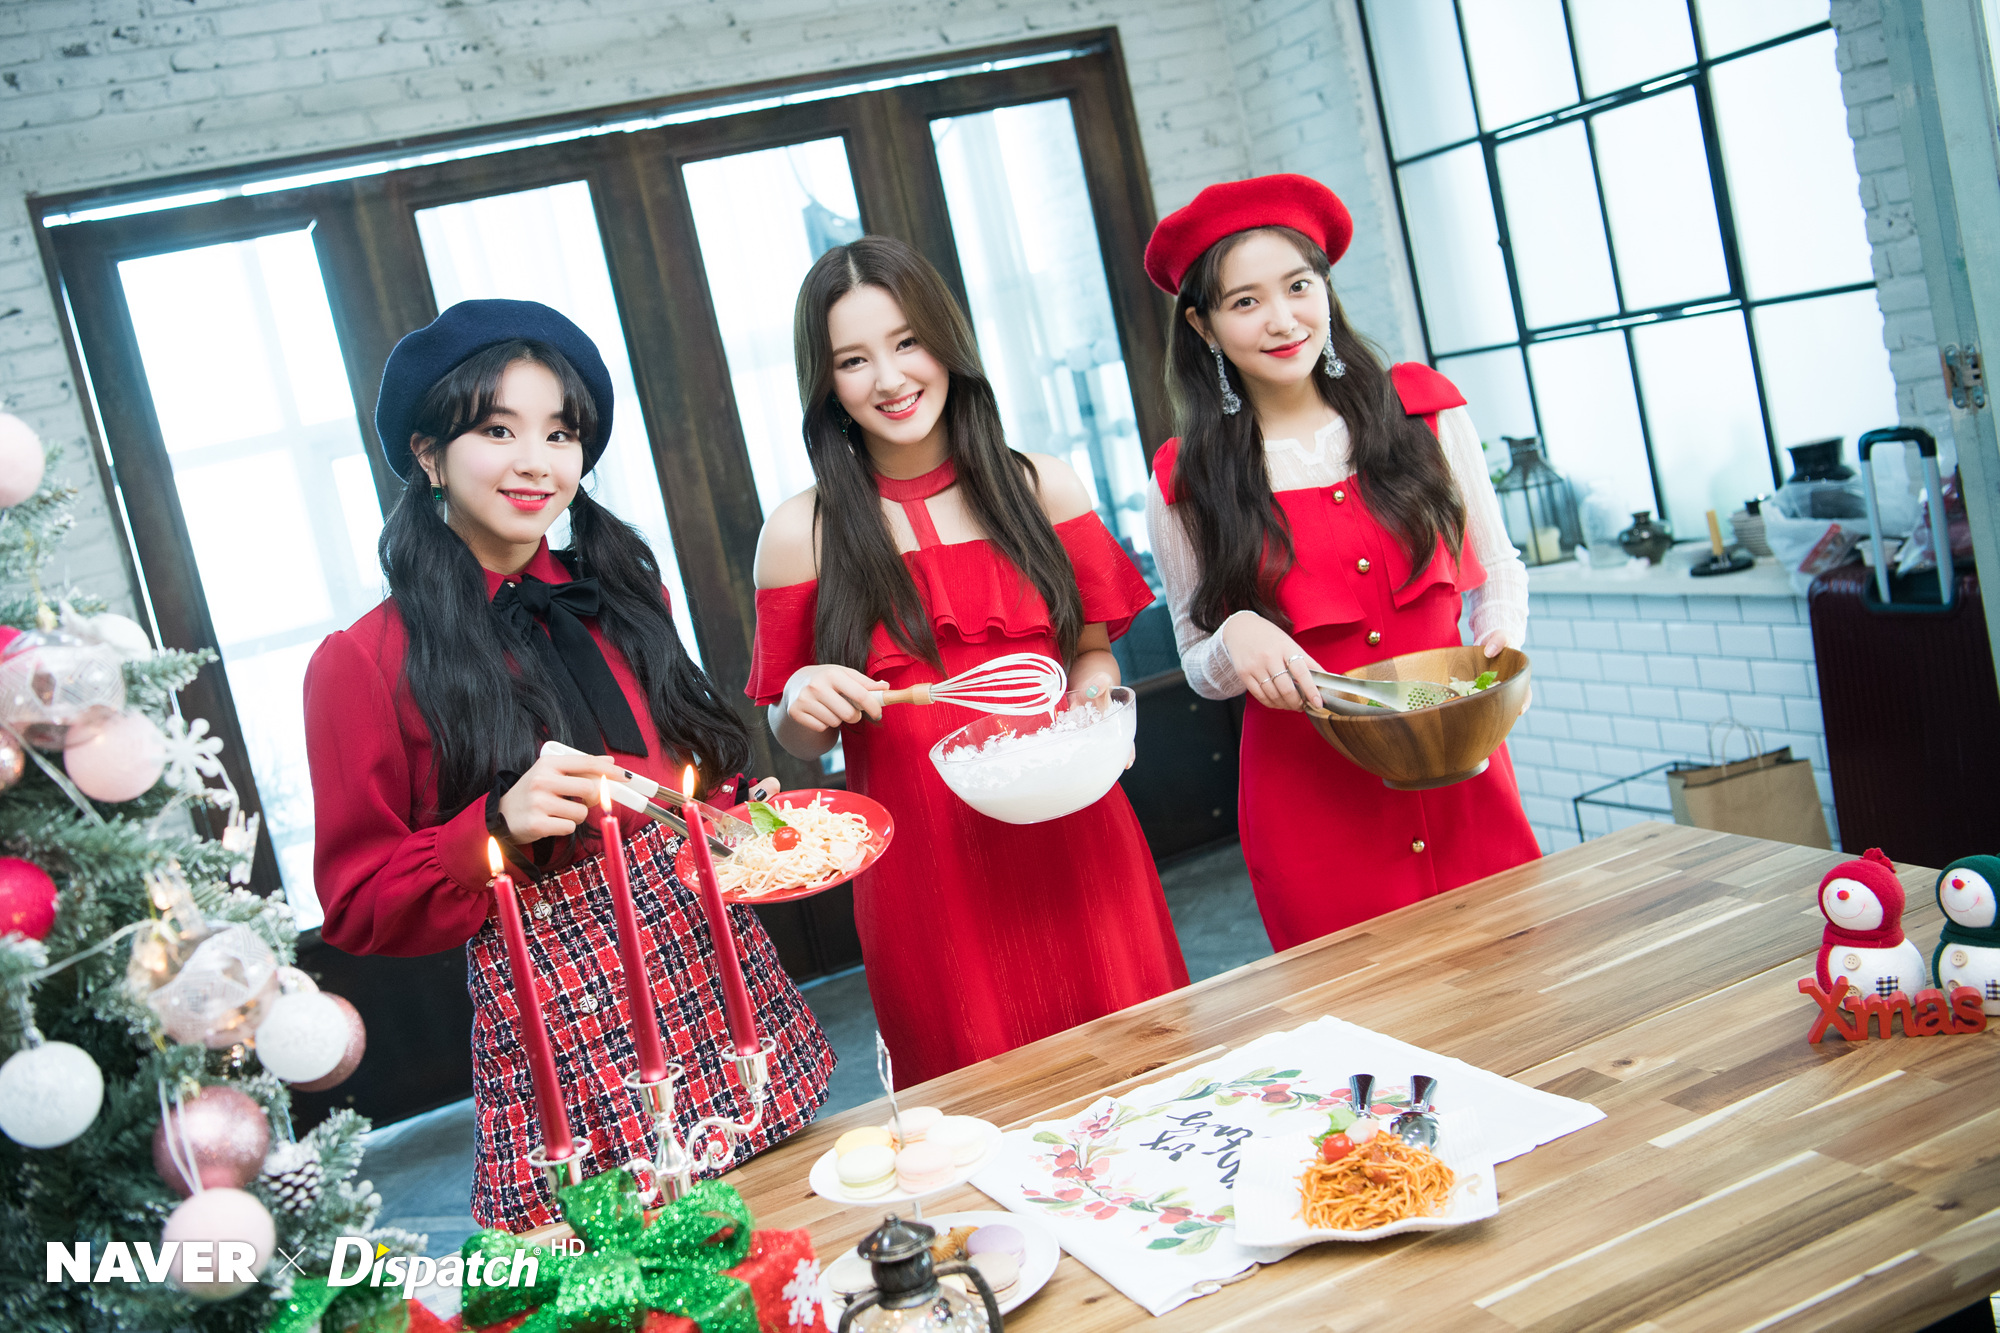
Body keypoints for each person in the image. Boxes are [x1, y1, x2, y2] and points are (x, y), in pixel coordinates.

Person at [304, 299, 832, 1230]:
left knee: (795, 1225)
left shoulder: (625, 590)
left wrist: (736, 813)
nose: (536, 461)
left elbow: (675, 762)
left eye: (559, 433)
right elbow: (355, 903)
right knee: (619, 1269)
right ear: (428, 454)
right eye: (497, 430)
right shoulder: (361, 662)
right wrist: (492, 828)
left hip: (716, 975)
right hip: (565, 1024)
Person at [748, 236, 1188, 1087]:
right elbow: (797, 734)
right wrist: (801, 694)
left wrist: (1098, 703)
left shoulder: (1040, 488)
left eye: (907, 342)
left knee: (1147, 1083)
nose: (889, 378)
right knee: (980, 1114)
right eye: (853, 359)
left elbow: (1091, 653)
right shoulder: (802, 532)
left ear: (948, 342)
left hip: (1075, 835)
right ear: (825, 381)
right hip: (926, 875)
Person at [1143, 174, 1540, 951]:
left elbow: (1497, 567)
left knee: (1519, 976)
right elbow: (1198, 660)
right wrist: (1235, 637)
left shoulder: (1424, 414)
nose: (1282, 319)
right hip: (1310, 805)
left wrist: (1501, 645)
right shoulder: (1184, 479)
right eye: (1245, 301)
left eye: (1299, 286)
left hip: (1461, 768)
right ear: (1202, 325)